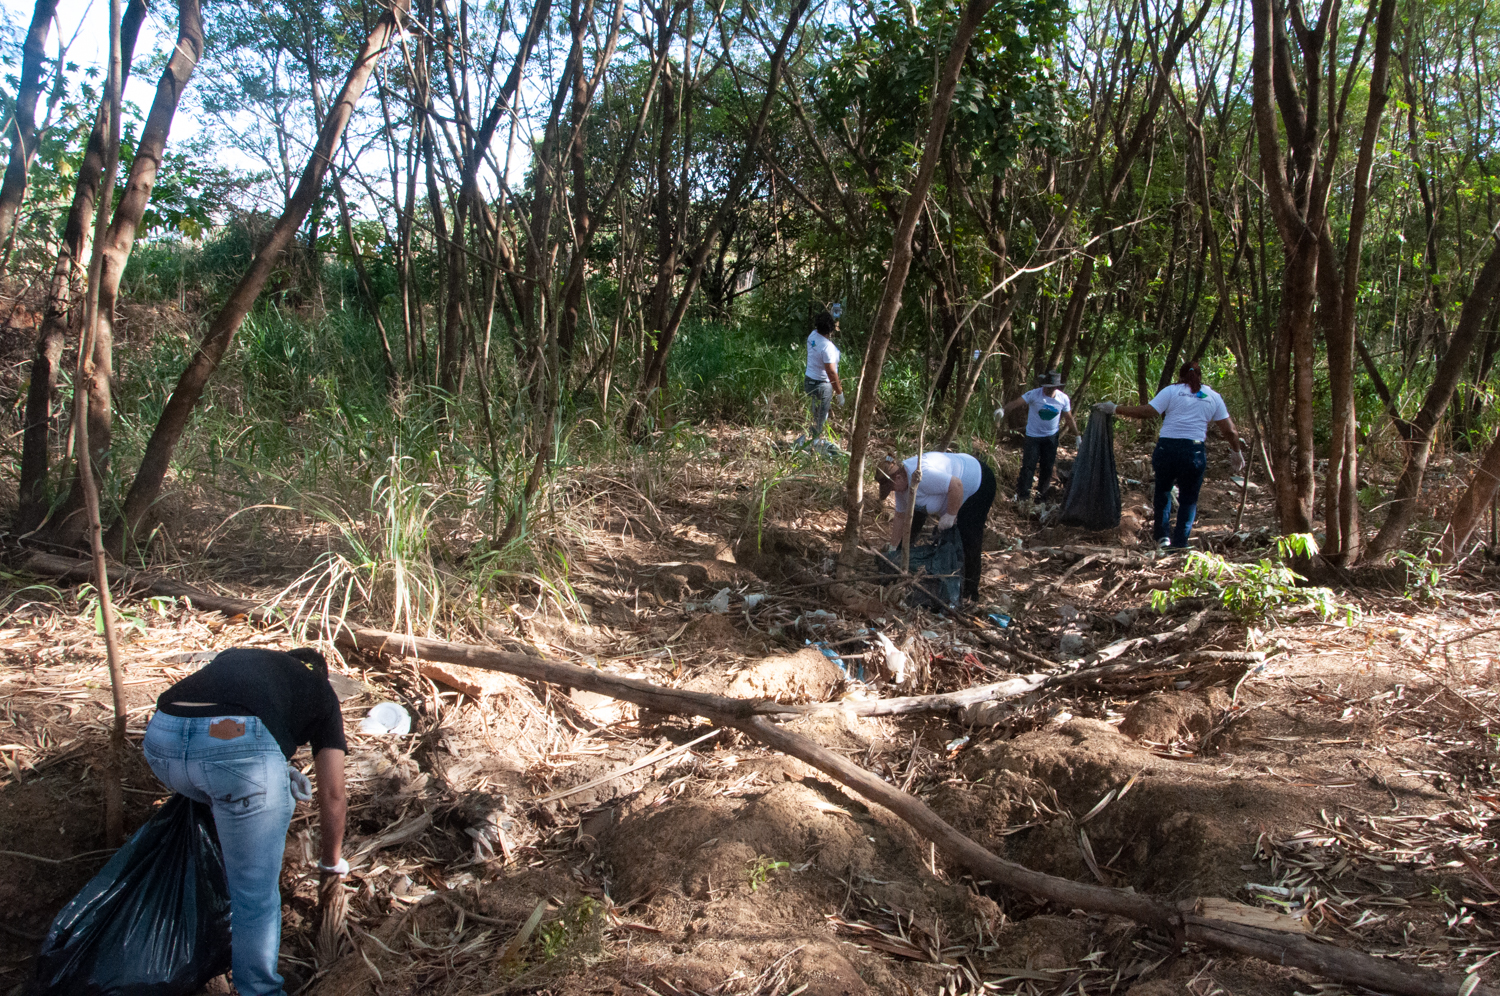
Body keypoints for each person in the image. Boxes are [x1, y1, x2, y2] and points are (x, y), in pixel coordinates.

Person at [142, 647, 348, 996]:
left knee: (224, 786)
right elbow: (333, 795)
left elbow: (215, 722)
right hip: (234, 757)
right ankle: (260, 990)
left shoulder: (238, 657)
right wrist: (330, 865)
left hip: (162, 742)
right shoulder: (321, 692)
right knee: (254, 896)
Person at [1094, 360, 1246, 550]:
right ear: (1200, 376)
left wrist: (1115, 408)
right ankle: (1181, 543)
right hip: (1194, 451)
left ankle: (1162, 538)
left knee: (1163, 493)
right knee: (1188, 499)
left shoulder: (1171, 391)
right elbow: (1230, 430)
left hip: (1167, 448)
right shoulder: (1212, 396)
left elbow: (1148, 412)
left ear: (1180, 376)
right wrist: (1236, 452)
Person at [876, 450, 998, 602]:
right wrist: (894, 547)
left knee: (968, 536)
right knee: (914, 521)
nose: (893, 492)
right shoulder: (902, 486)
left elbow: (957, 485)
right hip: (950, 491)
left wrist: (951, 515)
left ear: (898, 477)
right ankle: (902, 564)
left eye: (892, 488)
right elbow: (901, 516)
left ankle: (970, 592)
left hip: (977, 484)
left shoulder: (923, 474)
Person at [998, 369, 1079, 503]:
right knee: (1028, 466)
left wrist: (1077, 435)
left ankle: (1042, 497)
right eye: (1045, 387)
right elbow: (1016, 403)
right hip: (1033, 437)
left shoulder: (1063, 399)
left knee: (1047, 467)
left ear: (1055, 387)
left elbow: (1069, 418)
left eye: (1050, 388)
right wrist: (1003, 410)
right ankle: (1023, 497)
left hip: (1051, 437)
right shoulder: (1034, 394)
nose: (1046, 390)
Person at [796, 310, 844, 449]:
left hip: (809, 380)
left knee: (813, 411)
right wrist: (840, 393)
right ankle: (815, 441)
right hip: (822, 385)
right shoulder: (828, 348)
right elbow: (831, 373)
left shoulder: (812, 336)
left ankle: (811, 437)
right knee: (821, 415)